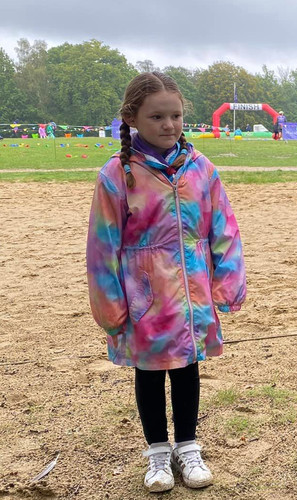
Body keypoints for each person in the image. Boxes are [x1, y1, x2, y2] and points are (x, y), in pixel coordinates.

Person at [86, 72, 246, 494]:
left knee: (188, 369)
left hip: (192, 296)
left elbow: (224, 228)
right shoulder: (117, 175)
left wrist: (227, 283)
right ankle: (158, 452)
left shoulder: (202, 170)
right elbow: (102, 247)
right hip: (144, 299)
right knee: (150, 372)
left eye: (175, 115)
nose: (169, 125)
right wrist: (110, 306)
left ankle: (188, 447)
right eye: (157, 116)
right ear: (133, 118)